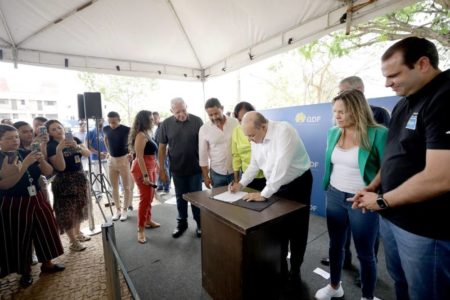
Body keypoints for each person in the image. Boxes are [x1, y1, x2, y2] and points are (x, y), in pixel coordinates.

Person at [354, 37, 450, 300]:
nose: (387, 83)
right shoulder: (403, 103)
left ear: (422, 64)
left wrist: (382, 201)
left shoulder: (445, 96)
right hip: (393, 218)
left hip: (425, 229)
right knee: (401, 284)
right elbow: (395, 155)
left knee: (426, 293)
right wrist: (374, 185)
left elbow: (442, 177)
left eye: (394, 75)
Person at [314, 90, 387, 300]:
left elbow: (387, 167)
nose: (337, 116)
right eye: (334, 111)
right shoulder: (333, 132)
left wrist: (371, 189)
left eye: (342, 112)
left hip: (362, 201)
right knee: (335, 245)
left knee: (365, 254)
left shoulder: (379, 133)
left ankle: (367, 296)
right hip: (335, 195)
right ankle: (335, 286)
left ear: (357, 110)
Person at [230, 111, 313, 283]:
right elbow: (254, 164)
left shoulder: (284, 131)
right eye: (247, 136)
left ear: (264, 126)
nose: (250, 140)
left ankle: (295, 271)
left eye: (252, 135)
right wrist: (241, 184)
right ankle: (280, 266)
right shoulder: (255, 137)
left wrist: (264, 194)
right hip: (275, 185)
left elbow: (280, 167)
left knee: (298, 230)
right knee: (278, 228)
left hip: (298, 184)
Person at [0, 124, 64, 288]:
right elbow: (5, 185)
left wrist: (41, 160)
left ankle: (47, 263)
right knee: (21, 236)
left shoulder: (24, 153)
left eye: (15, 137)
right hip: (15, 202)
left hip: (37, 197)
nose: (14, 141)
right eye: (9, 138)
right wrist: (25, 164)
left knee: (46, 229)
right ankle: (25, 271)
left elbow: (48, 171)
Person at [157, 97, 204, 238]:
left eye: (183, 110)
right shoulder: (165, 124)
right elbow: (161, 148)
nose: (181, 114)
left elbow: (204, 146)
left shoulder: (197, 121)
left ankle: (200, 223)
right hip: (177, 169)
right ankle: (182, 223)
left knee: (197, 198)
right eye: (177, 112)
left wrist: (206, 168)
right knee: (180, 198)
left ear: (186, 106)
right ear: (171, 111)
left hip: (195, 168)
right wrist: (162, 170)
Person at [46, 120, 91, 251]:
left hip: (79, 176)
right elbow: (60, 167)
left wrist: (77, 147)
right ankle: (72, 241)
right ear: (49, 132)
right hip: (64, 180)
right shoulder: (51, 145)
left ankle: (78, 233)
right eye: (53, 129)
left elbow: (87, 154)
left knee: (80, 206)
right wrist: (59, 149)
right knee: (67, 211)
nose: (58, 131)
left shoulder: (74, 139)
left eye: (59, 127)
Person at [129, 110, 160, 244]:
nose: (153, 121)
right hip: (142, 170)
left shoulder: (147, 133)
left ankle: (148, 220)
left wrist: (156, 164)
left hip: (151, 167)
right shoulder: (141, 135)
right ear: (144, 120)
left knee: (150, 197)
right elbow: (140, 157)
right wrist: (145, 175)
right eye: (151, 119)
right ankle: (140, 230)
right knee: (145, 198)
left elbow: (150, 152)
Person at [199, 98, 239, 188]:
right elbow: (203, 156)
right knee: (218, 200)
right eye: (210, 115)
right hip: (217, 173)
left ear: (222, 108)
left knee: (237, 199)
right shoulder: (204, 129)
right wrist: (205, 177)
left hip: (235, 172)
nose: (214, 117)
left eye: (216, 113)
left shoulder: (235, 123)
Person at [104, 111, 133, 222]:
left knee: (126, 187)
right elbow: (106, 140)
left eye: (114, 122)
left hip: (124, 159)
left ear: (119, 120)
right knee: (114, 187)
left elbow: (131, 142)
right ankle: (118, 210)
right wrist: (108, 151)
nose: (112, 124)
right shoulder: (106, 129)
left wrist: (131, 153)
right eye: (110, 122)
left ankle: (125, 209)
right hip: (111, 160)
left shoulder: (127, 129)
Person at [231, 101, 265, 191]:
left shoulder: (262, 129)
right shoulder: (236, 131)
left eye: (247, 118)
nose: (244, 123)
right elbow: (236, 156)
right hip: (248, 176)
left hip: (266, 175)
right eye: (240, 120)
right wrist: (237, 180)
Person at [86, 118, 110, 196]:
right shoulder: (91, 132)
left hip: (107, 157)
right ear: (95, 120)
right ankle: (98, 193)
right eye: (98, 119)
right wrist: (98, 153)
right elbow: (88, 146)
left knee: (110, 174)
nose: (99, 121)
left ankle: (111, 191)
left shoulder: (106, 131)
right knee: (97, 176)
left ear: (103, 120)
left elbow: (109, 144)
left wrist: (108, 153)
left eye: (101, 119)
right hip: (95, 158)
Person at [153, 111, 171, 194]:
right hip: (157, 151)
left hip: (163, 151)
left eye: (155, 118)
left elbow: (168, 138)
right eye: (152, 119)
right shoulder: (156, 128)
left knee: (165, 168)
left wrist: (167, 147)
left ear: (159, 118)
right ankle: (160, 185)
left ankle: (166, 186)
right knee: (159, 168)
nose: (153, 120)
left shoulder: (163, 125)